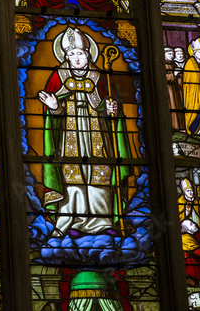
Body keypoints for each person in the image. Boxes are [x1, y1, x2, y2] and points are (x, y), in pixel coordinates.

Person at [37, 27, 132, 238]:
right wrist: (54, 106)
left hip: (97, 136)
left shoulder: (100, 77)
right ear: (65, 56)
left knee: (101, 175)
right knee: (73, 178)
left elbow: (113, 107)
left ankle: (104, 222)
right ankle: (73, 222)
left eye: (80, 53)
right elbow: (54, 115)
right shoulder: (57, 77)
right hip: (69, 137)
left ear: (88, 54)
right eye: (71, 54)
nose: (76, 58)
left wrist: (110, 109)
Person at [164, 47, 185, 131]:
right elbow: (161, 77)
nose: (171, 56)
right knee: (170, 106)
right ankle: (171, 127)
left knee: (177, 106)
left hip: (174, 89)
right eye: (169, 54)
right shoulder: (161, 64)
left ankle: (178, 127)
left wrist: (180, 78)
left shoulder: (174, 64)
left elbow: (178, 79)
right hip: (167, 90)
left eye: (172, 54)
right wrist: (173, 75)